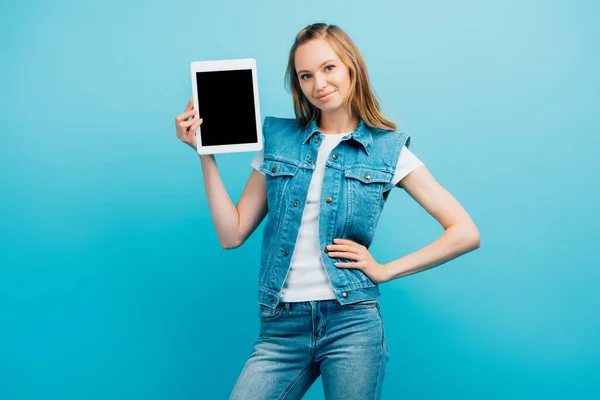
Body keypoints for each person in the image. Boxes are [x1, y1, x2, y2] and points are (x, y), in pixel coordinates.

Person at [175, 23, 480, 400]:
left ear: (351, 67)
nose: (318, 83)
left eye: (328, 68)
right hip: (281, 325)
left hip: (352, 324)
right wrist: (206, 154)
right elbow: (231, 234)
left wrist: (384, 270)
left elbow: (465, 232)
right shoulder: (279, 141)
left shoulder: (387, 149)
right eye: (306, 75)